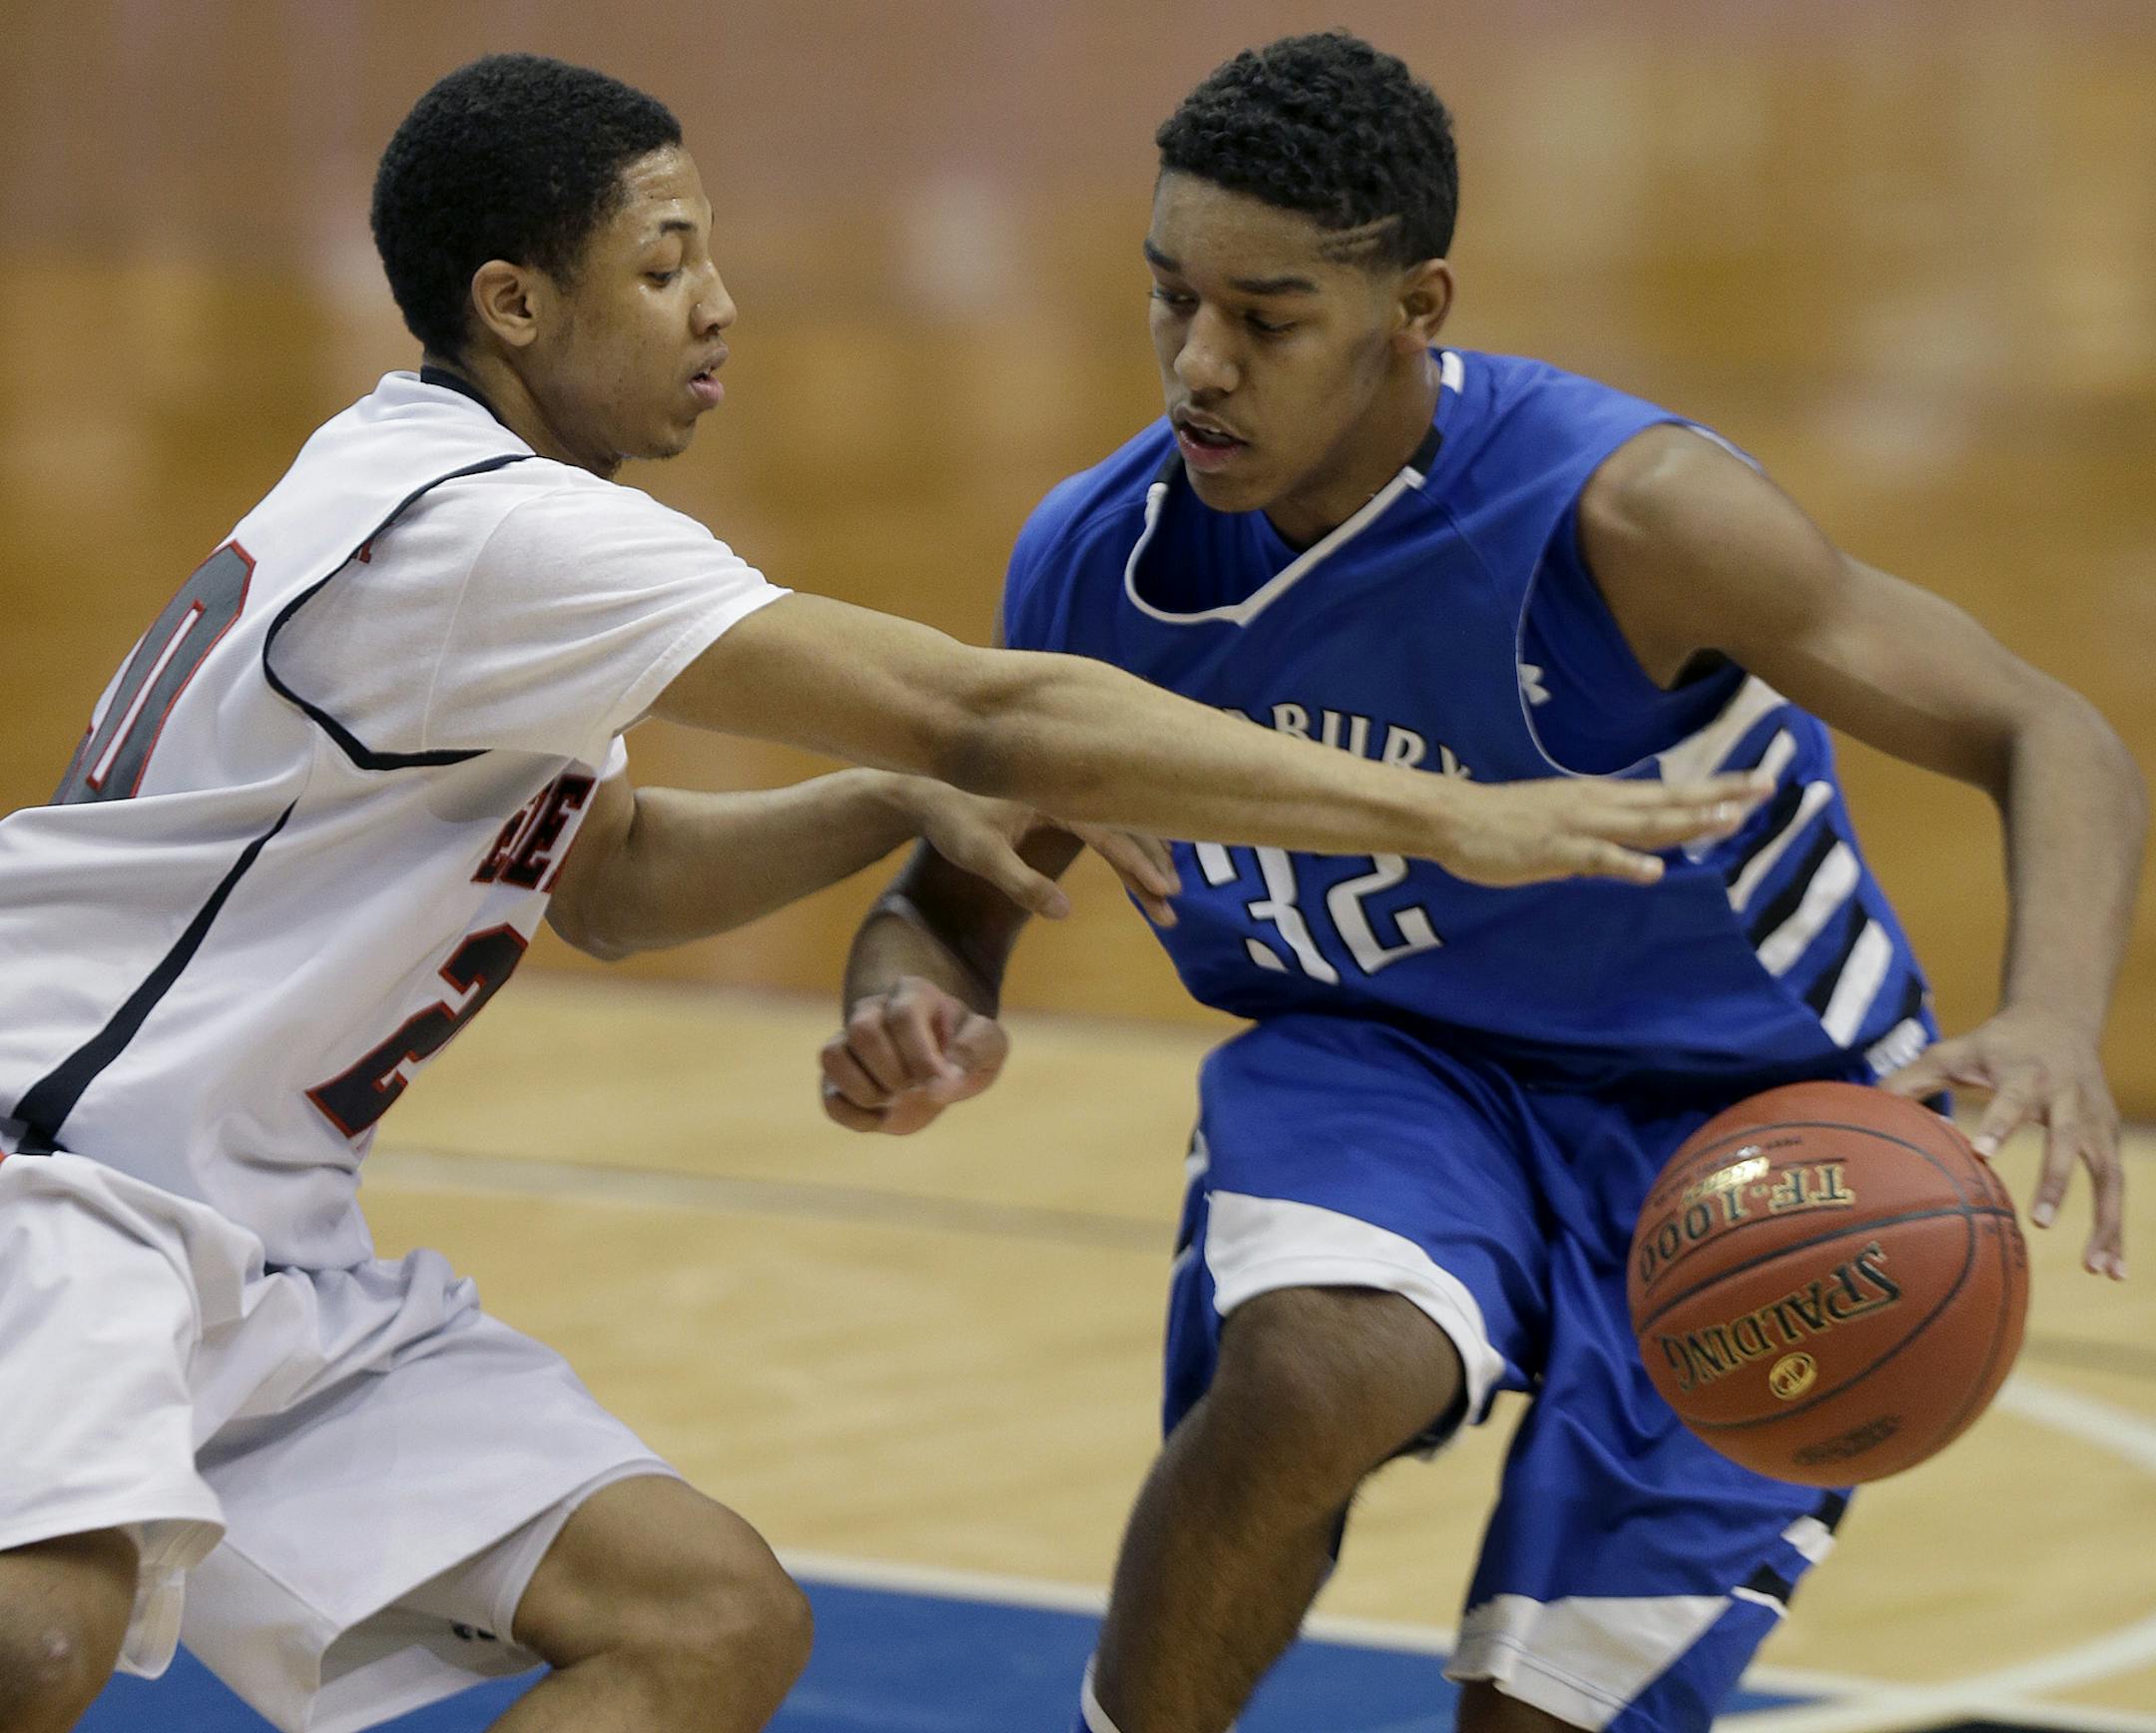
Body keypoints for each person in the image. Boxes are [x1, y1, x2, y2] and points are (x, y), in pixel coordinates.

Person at [0, 52, 1773, 1733]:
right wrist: (1445, 816)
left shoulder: (455, 520)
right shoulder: (488, 532)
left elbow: (606, 881)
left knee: (705, 1621)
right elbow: (988, 699)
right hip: (59, 1175)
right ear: (516, 306)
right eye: (665, 264)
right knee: (38, 1632)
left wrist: (887, 802)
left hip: (259, 1244)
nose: (719, 307)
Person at [822, 30, 2147, 1733]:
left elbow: (2049, 730)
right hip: (1391, 1064)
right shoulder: (1104, 565)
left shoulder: (1637, 513)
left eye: (1267, 316)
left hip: (1753, 1123)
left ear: (1416, 305)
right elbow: (955, 902)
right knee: (1313, 1366)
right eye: (1172, 298)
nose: (1196, 366)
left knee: (1537, 1712)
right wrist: (907, 1004)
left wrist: (2047, 1013)